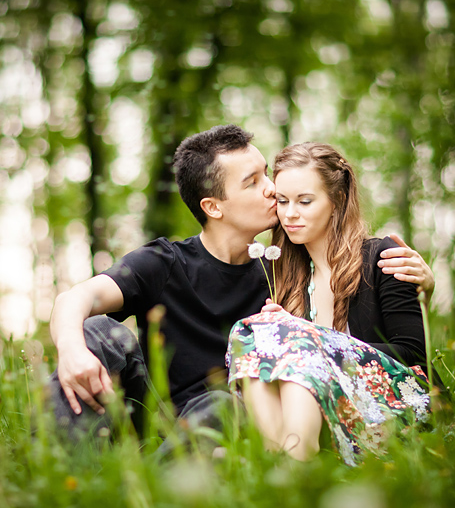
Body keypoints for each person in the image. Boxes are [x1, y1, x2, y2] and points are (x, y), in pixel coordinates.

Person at [48, 125, 433, 442]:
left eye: (267, 173)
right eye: (253, 182)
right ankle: (64, 474)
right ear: (213, 207)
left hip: (231, 422)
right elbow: (76, 297)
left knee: (223, 405)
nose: (271, 189)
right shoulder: (164, 262)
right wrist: (70, 349)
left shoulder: (279, 275)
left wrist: (423, 290)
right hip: (160, 420)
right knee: (98, 331)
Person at [227, 142, 432, 466]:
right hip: (316, 406)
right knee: (249, 332)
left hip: (395, 404)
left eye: (305, 201)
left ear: (337, 201)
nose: (290, 213)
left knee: (301, 349)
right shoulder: (280, 274)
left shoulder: (382, 257)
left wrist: (313, 340)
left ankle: (295, 465)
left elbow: (413, 354)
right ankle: (279, 462)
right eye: (282, 201)